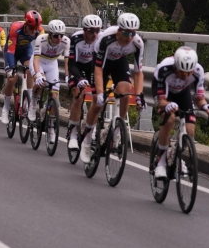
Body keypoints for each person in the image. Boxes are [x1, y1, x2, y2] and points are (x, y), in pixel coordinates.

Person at [81, 13, 146, 164]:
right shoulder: (106, 39)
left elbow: (138, 72)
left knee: (125, 90)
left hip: (118, 61)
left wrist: (139, 95)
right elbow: (98, 69)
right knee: (98, 103)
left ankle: (117, 128)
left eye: (133, 33)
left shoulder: (137, 43)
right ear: (118, 30)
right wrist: (101, 93)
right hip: (100, 64)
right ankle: (87, 138)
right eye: (126, 32)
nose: (130, 36)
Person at [151, 46, 209, 180]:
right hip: (165, 94)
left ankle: (175, 155)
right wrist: (167, 105)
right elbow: (161, 100)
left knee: (190, 131)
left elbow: (199, 97)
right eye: (182, 72)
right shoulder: (164, 69)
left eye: (188, 73)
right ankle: (161, 162)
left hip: (182, 93)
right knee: (169, 119)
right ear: (175, 66)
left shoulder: (198, 71)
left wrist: (205, 106)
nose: (185, 76)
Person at [66, 15, 103, 150]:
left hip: (93, 68)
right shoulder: (76, 38)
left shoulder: (101, 39)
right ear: (84, 30)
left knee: (98, 98)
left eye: (97, 31)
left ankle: (90, 129)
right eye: (91, 31)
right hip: (77, 67)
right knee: (78, 97)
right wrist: (80, 79)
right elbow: (71, 63)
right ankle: (73, 134)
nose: (94, 34)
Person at [0, 10, 44, 124]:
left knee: (30, 70)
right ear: (26, 24)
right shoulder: (16, 28)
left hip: (25, 50)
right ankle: (5, 107)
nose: (34, 31)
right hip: (12, 51)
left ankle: (27, 100)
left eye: (36, 28)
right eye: (31, 28)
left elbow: (42, 48)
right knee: (12, 79)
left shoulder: (39, 30)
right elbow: (10, 51)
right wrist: (11, 69)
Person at [31, 19, 69, 124]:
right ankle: (33, 105)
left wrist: (67, 76)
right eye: (56, 36)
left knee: (54, 95)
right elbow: (36, 59)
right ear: (50, 34)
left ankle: (51, 126)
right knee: (40, 83)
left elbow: (67, 62)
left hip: (52, 64)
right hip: (39, 62)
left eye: (62, 35)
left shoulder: (66, 41)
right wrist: (38, 74)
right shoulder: (41, 39)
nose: (59, 38)